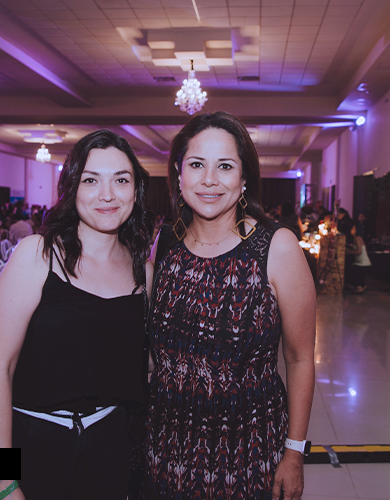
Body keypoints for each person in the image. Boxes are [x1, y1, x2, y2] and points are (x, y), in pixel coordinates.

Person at [143, 112, 316, 500]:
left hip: (248, 455)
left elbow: (300, 358)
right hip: (165, 451)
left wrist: (294, 453)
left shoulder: (275, 247)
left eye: (224, 166)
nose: (209, 179)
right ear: (178, 174)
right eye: (196, 165)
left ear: (243, 179)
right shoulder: (165, 243)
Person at [0, 130, 153, 500]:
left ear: (136, 191)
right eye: (91, 180)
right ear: (72, 189)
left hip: (107, 447)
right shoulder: (37, 255)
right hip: (29, 442)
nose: (107, 194)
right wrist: (1, 480)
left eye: (121, 180)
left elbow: (141, 363)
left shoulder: (144, 274)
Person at [346, 223, 371, 293]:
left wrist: (349, 252)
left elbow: (359, 251)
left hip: (363, 263)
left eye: (353, 228)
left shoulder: (357, 238)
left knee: (351, 271)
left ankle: (360, 287)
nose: (351, 229)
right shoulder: (356, 238)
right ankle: (362, 286)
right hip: (361, 262)